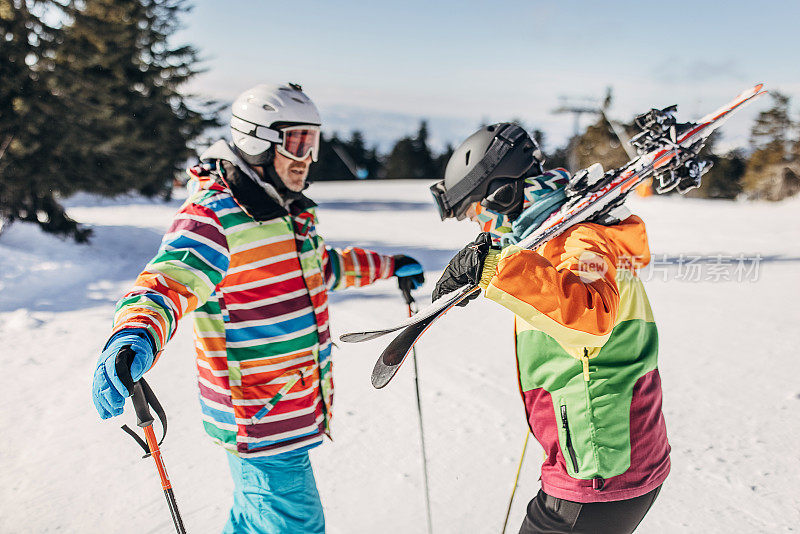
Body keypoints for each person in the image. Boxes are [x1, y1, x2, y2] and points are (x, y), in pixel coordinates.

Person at [91, 83, 424, 534]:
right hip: (259, 418)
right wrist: (134, 333)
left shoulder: (284, 210)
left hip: (287, 405)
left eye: (313, 142)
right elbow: (168, 280)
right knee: (296, 526)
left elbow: (320, 270)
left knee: (253, 521)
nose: (307, 156)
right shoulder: (214, 216)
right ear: (257, 139)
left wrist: (390, 265)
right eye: (297, 142)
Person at [430, 123, 669, 534]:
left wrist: (492, 266)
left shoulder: (581, 236)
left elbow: (592, 316)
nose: (480, 226)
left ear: (502, 194)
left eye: (476, 211)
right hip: (606, 459)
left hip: (599, 469)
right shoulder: (552, 238)